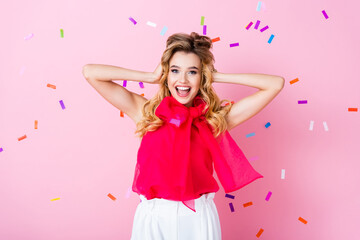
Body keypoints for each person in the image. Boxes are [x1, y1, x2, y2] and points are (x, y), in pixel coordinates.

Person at [82, 32, 284, 240]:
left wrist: (217, 76)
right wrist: (149, 77)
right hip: (153, 217)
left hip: (198, 219)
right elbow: (90, 73)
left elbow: (275, 84)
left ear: (202, 77)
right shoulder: (147, 113)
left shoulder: (214, 120)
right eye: (175, 70)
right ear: (165, 74)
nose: (183, 80)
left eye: (193, 72)